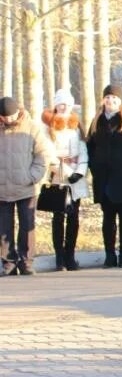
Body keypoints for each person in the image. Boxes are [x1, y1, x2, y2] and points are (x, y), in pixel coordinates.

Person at [87, 85, 122, 268]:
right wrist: (93, 165)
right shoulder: (97, 120)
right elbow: (90, 146)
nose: (110, 101)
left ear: (120, 101)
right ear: (103, 100)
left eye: (114, 98)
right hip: (103, 176)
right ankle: (109, 254)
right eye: (107, 98)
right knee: (108, 216)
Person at [0, 97, 54, 276]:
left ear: (18, 112)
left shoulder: (32, 127)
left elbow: (42, 155)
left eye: (11, 115)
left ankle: (26, 261)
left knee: (27, 225)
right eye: (4, 116)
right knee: (3, 228)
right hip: (2, 188)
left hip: (26, 187)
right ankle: (8, 262)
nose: (8, 119)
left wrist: (32, 176)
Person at [41, 89, 89, 271]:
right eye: (60, 103)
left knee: (74, 217)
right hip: (59, 176)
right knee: (58, 216)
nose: (64, 107)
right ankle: (59, 257)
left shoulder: (76, 125)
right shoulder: (48, 127)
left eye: (67, 104)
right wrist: (68, 171)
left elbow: (83, 149)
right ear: (55, 105)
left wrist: (81, 170)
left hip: (76, 177)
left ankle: (71, 255)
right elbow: (48, 153)